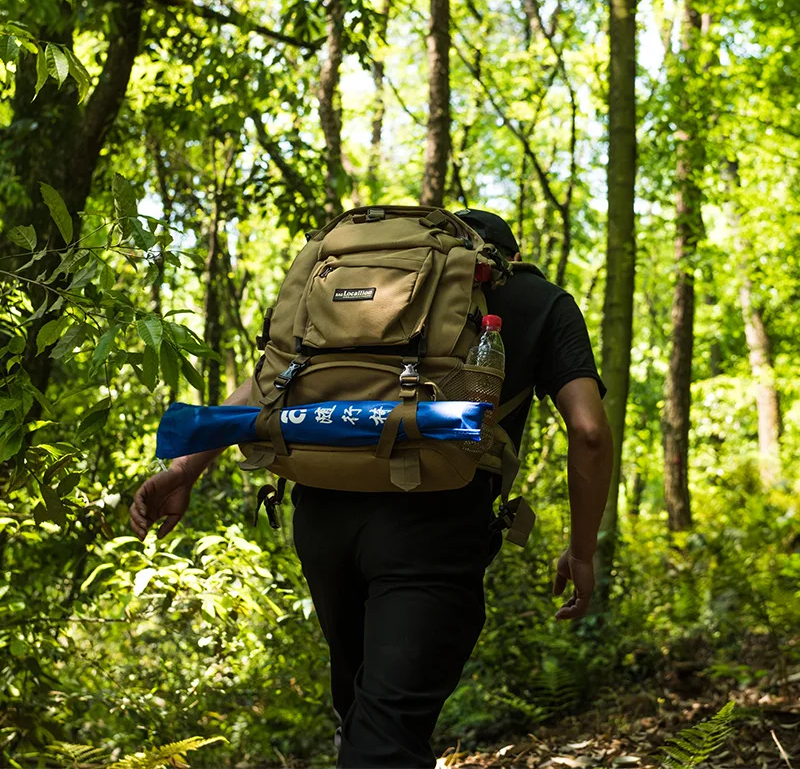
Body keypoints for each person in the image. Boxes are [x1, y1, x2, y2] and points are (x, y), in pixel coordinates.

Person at [129, 209, 614, 768]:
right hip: (434, 528)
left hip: (322, 513)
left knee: (359, 707)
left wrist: (184, 470)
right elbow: (589, 431)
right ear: (509, 256)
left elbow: (268, 385)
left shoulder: (348, 279)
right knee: (387, 734)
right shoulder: (538, 299)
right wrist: (581, 550)